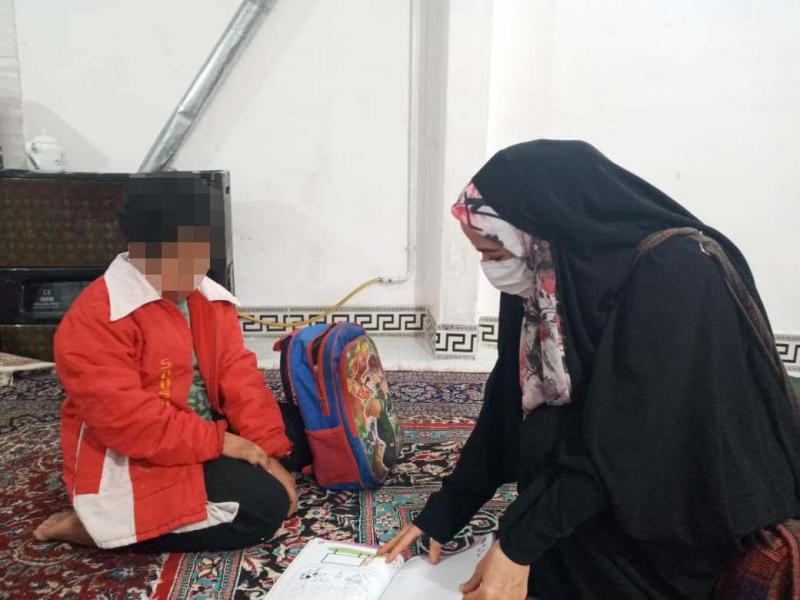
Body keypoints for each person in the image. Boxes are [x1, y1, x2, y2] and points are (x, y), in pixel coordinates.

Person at [379, 140, 800, 599]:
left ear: (542, 229)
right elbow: (507, 400)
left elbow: (632, 433)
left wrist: (520, 545)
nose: (491, 269)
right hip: (600, 468)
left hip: (676, 488)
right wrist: (447, 509)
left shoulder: (678, 272)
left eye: (494, 254)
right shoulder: (542, 272)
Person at [33, 175, 299, 552]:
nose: (193, 270)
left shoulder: (207, 298)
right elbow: (129, 423)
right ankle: (98, 529)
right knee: (262, 509)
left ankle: (211, 484)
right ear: (138, 251)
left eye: (200, 254)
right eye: (176, 258)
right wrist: (225, 443)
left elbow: (238, 376)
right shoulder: (95, 318)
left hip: (202, 428)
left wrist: (267, 452)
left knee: (302, 434)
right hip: (140, 448)